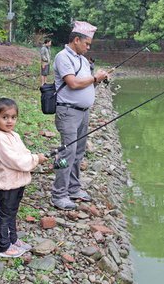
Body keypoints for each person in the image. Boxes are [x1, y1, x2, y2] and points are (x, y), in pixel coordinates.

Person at [51, 21, 109, 210]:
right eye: (87, 43)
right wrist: (94, 78)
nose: (88, 47)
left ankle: (73, 188)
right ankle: (59, 194)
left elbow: (88, 84)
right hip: (68, 112)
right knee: (66, 152)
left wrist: (99, 80)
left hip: (83, 113)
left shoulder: (83, 60)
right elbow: (73, 83)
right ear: (76, 40)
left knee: (79, 152)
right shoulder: (62, 57)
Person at [0, 98, 47, 257]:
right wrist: (35, 159)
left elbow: (23, 153)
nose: (9, 121)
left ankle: (13, 239)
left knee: (13, 213)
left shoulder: (14, 135)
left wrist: (34, 157)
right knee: (5, 215)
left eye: (13, 117)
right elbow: (16, 160)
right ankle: (4, 247)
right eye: (4, 117)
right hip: (7, 185)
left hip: (18, 183)